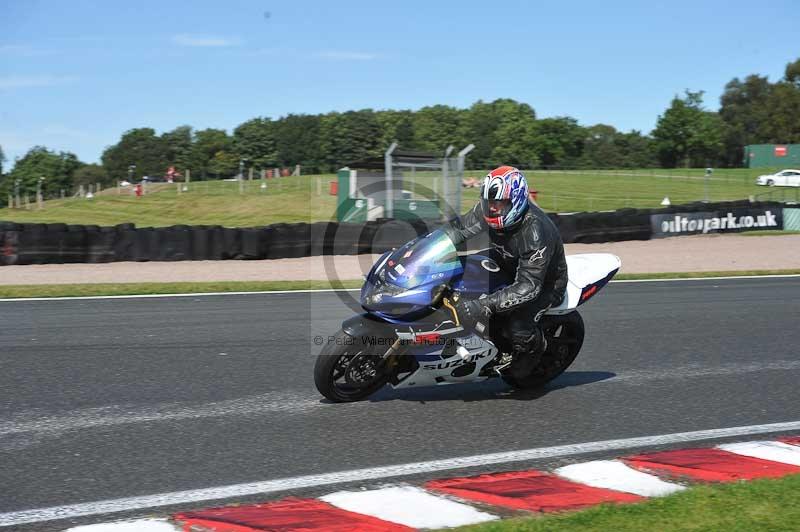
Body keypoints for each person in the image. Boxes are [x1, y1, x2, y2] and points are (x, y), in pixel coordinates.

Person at [442, 166, 568, 376]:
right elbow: (456, 230)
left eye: (500, 203)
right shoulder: (487, 211)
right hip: (506, 261)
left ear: (516, 201)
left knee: (517, 327)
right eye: (489, 202)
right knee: (455, 272)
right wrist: (419, 249)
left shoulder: (535, 232)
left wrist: (482, 306)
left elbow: (528, 287)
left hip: (544, 283)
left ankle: (533, 351)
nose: (493, 208)